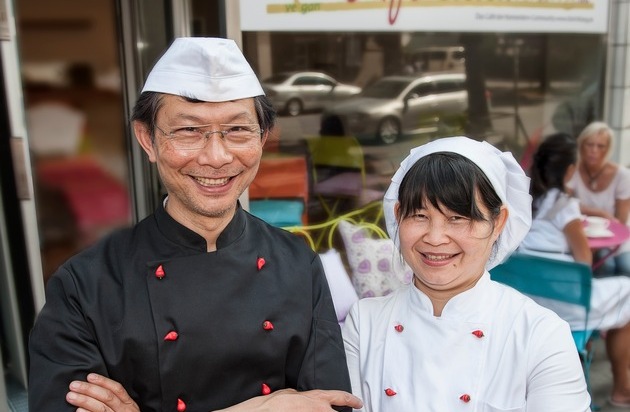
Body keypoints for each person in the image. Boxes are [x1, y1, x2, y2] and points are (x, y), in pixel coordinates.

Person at [28, 37, 361, 412]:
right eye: (189, 131)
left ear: (263, 138)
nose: (217, 157)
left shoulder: (298, 263)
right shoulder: (84, 286)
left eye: (238, 130)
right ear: (147, 139)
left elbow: (331, 405)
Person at [343, 136, 592, 411]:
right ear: (398, 215)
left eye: (457, 218)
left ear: (498, 223)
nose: (435, 238)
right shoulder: (363, 324)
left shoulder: (540, 334)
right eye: (419, 215)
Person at [519, 132, 630, 408]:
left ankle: (589, 347)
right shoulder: (565, 207)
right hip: (564, 305)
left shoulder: (524, 202)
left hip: (528, 299)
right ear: (569, 169)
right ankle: (622, 389)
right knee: (628, 291)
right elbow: (583, 262)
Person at [566, 121, 630, 276]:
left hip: (615, 239)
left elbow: (620, 221)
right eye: (589, 144)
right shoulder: (573, 170)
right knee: (606, 266)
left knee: (626, 268)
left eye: (600, 146)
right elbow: (563, 204)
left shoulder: (622, 175)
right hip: (582, 238)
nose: (594, 151)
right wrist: (600, 213)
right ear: (581, 145)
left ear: (608, 149)